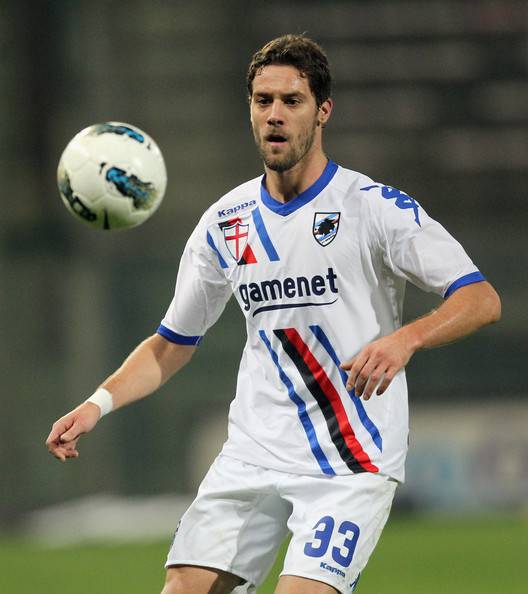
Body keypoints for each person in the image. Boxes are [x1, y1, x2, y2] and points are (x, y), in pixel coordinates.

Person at [46, 34, 501, 594]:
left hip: (349, 461)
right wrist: (96, 405)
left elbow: (480, 299)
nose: (275, 115)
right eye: (263, 101)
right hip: (253, 454)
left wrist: (404, 340)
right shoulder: (225, 222)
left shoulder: (372, 207)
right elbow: (171, 343)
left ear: (323, 110)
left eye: (292, 101)